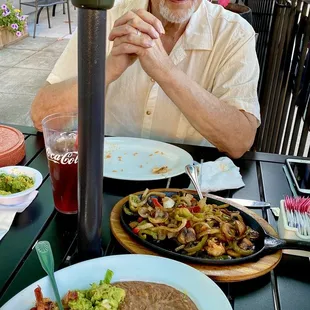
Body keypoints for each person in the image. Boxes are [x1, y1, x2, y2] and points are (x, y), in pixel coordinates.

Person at [31, 0, 260, 159]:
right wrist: (108, 69)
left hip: (189, 192)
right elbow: (41, 116)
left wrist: (165, 71)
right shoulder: (107, 16)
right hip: (104, 181)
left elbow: (239, 141)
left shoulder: (234, 33)